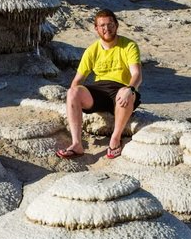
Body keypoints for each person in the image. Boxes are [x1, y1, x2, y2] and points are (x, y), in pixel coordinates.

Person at [57, 9, 141, 160]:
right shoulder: (91, 50)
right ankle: (77, 144)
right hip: (99, 90)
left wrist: (130, 89)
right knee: (73, 92)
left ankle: (115, 139)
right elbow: (77, 81)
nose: (106, 28)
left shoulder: (129, 46)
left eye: (110, 24)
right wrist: (72, 97)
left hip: (121, 89)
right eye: (102, 25)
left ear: (116, 25)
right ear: (96, 28)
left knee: (125, 92)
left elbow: (136, 74)